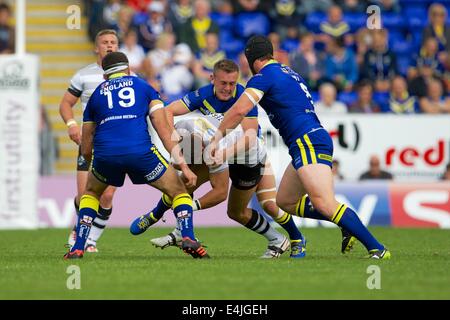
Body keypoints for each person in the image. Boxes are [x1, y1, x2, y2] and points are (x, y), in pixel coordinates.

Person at [208, 35, 391, 259]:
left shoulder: (264, 76)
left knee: (324, 202)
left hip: (306, 140)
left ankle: (378, 249)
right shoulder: (288, 72)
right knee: (286, 201)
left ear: (252, 58)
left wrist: (216, 138)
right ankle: (346, 225)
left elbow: (238, 110)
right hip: (309, 139)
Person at [131, 59, 306, 258]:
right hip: (218, 150)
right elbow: (168, 111)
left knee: (266, 205)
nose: (228, 88)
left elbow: (249, 137)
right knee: (186, 182)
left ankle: (297, 238)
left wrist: (220, 154)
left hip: (247, 156)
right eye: (223, 83)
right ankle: (157, 215)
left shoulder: (244, 96)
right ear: (213, 78)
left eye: (232, 83)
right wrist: (175, 144)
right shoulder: (204, 94)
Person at [64, 52, 207, 260]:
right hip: (141, 153)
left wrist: (96, 160)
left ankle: (78, 247)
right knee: (178, 191)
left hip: (106, 155)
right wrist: (184, 165)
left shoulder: (95, 96)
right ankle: (188, 237)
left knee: (91, 194)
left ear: (105, 75)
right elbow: (163, 129)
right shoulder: (144, 87)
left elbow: (86, 146)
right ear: (128, 69)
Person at [59, 29, 120, 253]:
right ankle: (80, 229)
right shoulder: (84, 75)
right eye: (105, 42)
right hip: (90, 142)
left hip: (115, 143)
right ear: (96, 47)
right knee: (86, 195)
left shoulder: (129, 77)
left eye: (113, 42)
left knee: (107, 195)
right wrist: (72, 125)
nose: (110, 46)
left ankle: (90, 238)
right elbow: (65, 104)